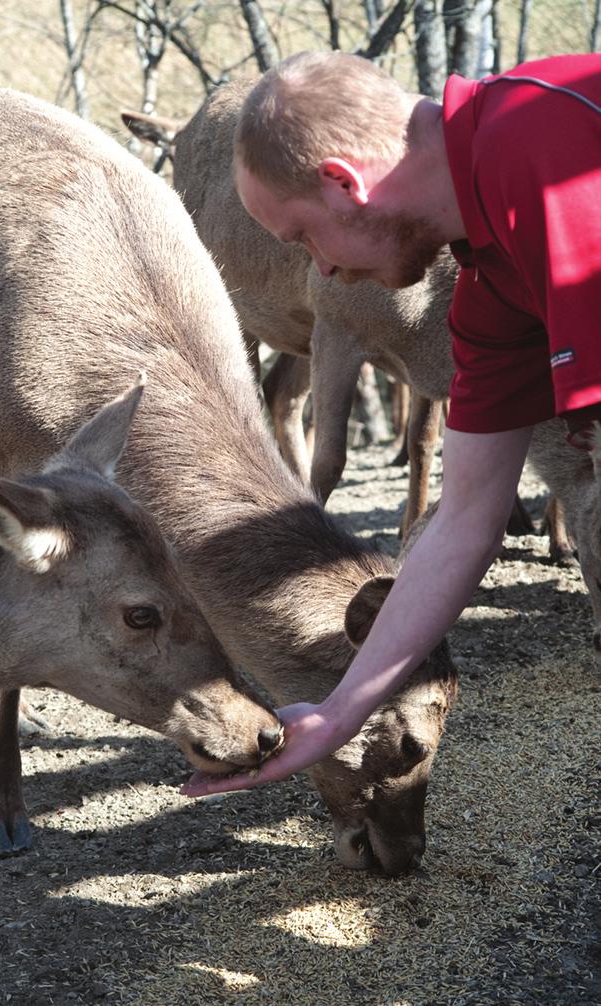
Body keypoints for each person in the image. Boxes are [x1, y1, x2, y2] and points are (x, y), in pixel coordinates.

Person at [181, 49, 601, 798]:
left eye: (305, 240)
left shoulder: (546, 152)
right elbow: (466, 517)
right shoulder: (490, 288)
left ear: (346, 183)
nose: (324, 274)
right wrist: (341, 714)